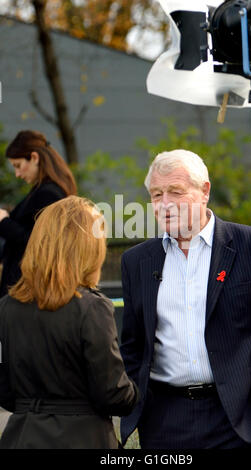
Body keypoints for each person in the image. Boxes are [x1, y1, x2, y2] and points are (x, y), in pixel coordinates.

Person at [120, 149, 251, 449]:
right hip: (163, 421)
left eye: (176, 192)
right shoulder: (137, 261)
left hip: (239, 419)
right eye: (156, 194)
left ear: (204, 192)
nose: (165, 204)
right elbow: (132, 346)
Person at [0, 195, 138, 449]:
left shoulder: (7, 307)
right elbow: (113, 395)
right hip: (83, 437)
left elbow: (6, 392)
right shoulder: (93, 307)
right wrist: (137, 389)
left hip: (21, 436)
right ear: (89, 247)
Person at [0, 130, 77, 297]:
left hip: (27, 292)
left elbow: (37, 240)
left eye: (18, 165)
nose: (17, 174)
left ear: (34, 158)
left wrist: (4, 222)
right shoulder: (46, 191)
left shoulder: (48, 194)